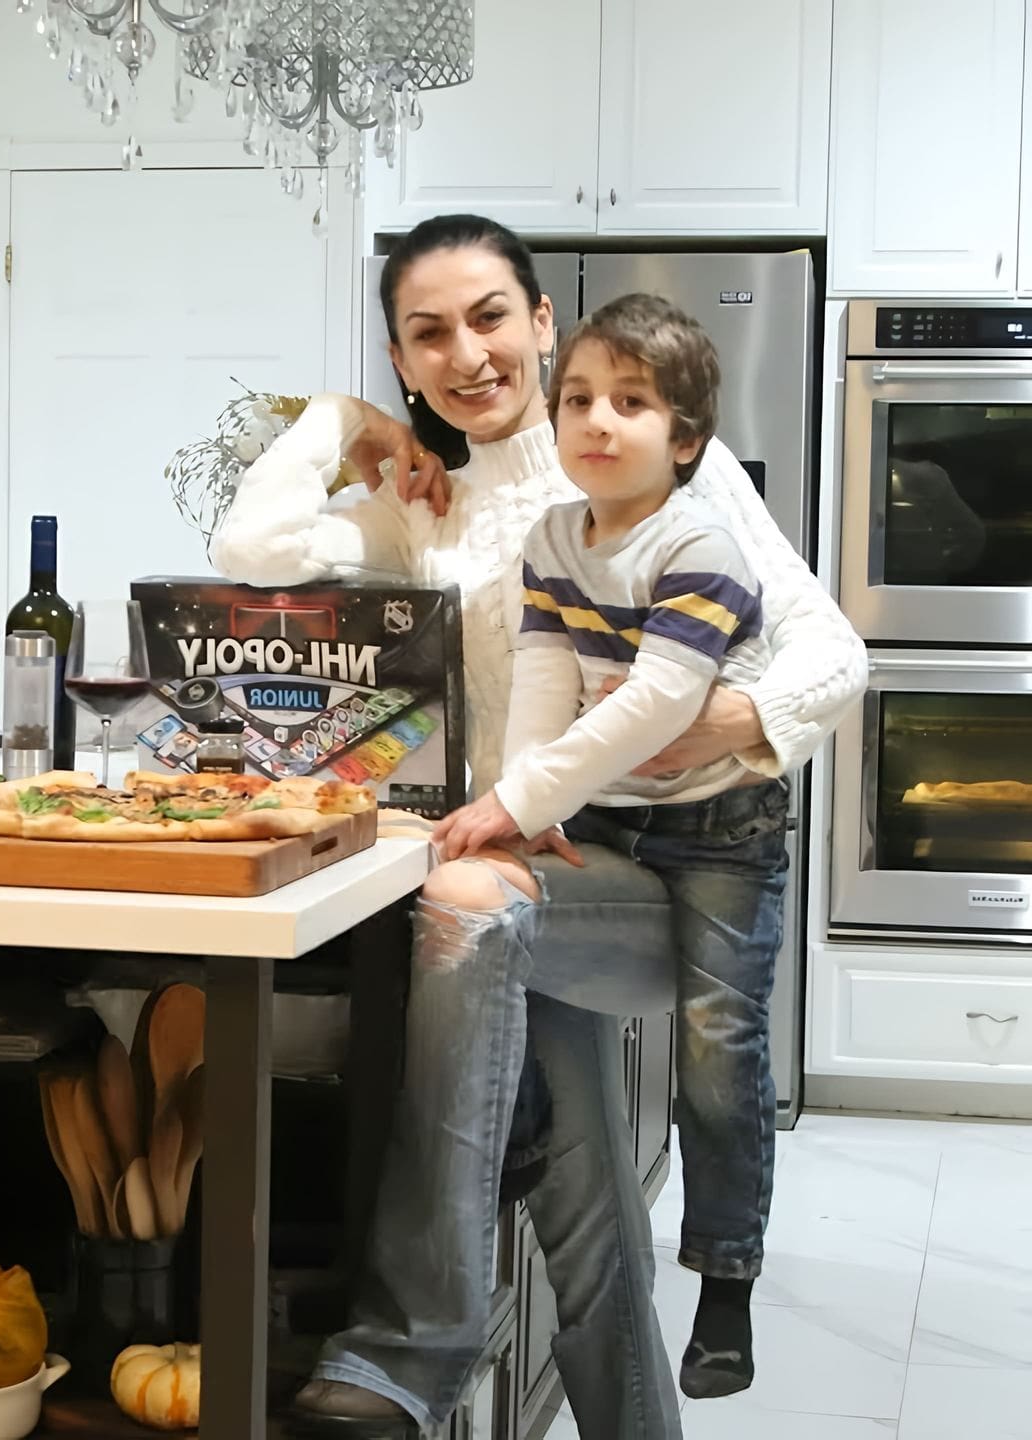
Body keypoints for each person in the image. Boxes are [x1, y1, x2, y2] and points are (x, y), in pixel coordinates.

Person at [210, 214, 864, 1439]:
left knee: (463, 910)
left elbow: (831, 650)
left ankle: (414, 1347)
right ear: (401, 360)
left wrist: (734, 721)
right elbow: (252, 551)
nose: (467, 355)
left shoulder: (645, 460)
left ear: (542, 321)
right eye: (428, 334)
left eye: (489, 317)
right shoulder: (422, 506)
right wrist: (338, 422)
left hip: (667, 882)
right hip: (548, 863)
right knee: (587, 1198)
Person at [436, 292, 792, 1400]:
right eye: (580, 398)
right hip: (610, 819)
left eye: (630, 403)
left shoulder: (701, 545)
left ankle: (725, 1275)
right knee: (504, 929)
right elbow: (545, 676)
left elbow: (655, 704)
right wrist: (526, 802)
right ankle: (519, 1139)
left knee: (718, 1048)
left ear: (686, 440)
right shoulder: (554, 539)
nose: (596, 419)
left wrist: (520, 795)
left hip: (722, 831)